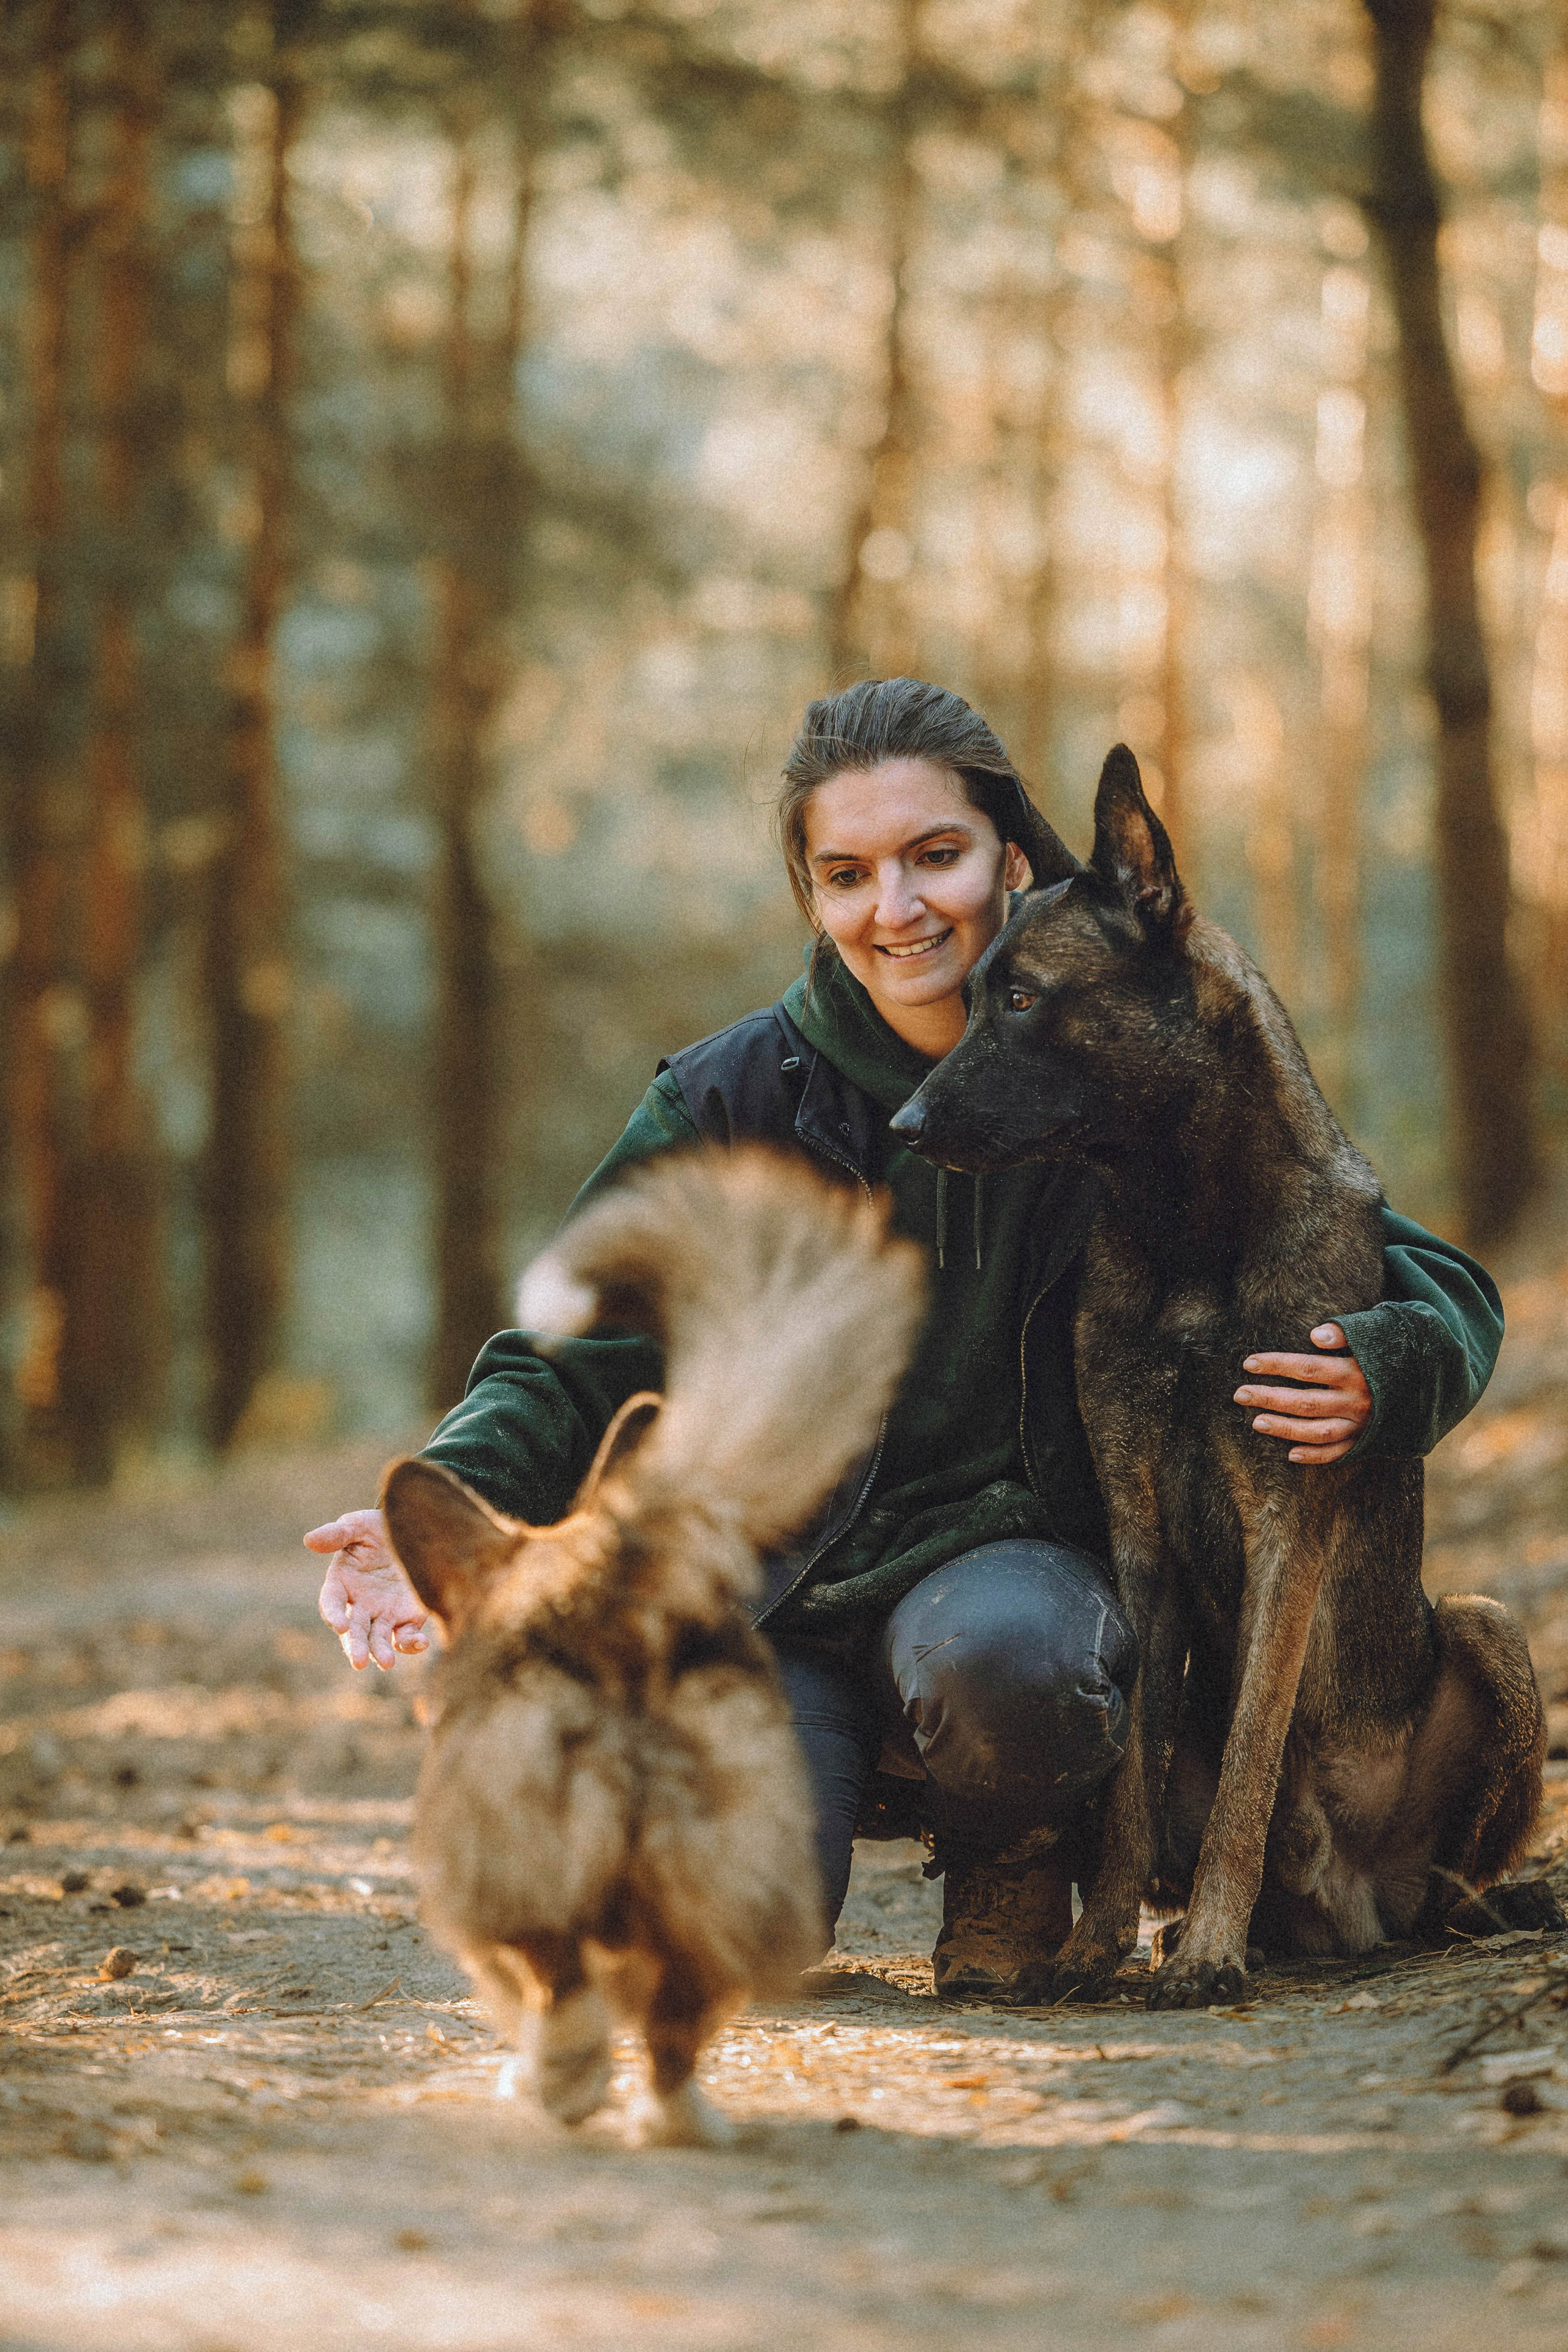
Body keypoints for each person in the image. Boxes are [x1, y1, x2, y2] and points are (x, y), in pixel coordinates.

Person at [308, 679, 1505, 2000]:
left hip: (1007, 1605)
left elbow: (1390, 1254)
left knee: (1015, 1662)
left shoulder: (1110, 1053)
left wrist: (1391, 1365)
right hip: (781, 1607)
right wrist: (446, 1505)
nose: (897, 909)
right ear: (809, 896)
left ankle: (1014, 1851)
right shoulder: (730, 1097)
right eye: (846, 873)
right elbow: (569, 1355)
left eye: (933, 855)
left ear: (1008, 851)